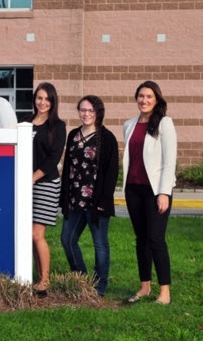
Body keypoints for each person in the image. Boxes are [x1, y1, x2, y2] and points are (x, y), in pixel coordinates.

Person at [123, 81, 177, 305]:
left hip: (155, 191)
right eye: (141, 96)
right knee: (141, 240)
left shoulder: (164, 123)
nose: (144, 100)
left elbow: (169, 161)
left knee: (156, 239)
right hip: (133, 189)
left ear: (156, 100)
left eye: (149, 97)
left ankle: (165, 292)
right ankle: (145, 287)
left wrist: (164, 192)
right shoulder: (129, 124)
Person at [60, 95, 119, 297]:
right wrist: (64, 197)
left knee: (100, 243)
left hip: (96, 202)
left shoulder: (107, 137)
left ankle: (99, 287)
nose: (86, 114)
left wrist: (104, 200)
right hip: (75, 199)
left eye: (90, 110)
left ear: (98, 112)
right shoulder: (73, 135)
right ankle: (82, 280)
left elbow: (112, 172)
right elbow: (68, 167)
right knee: (67, 239)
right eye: (83, 110)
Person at [23, 82, 66, 293]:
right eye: (39, 98)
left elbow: (54, 158)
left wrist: (33, 177)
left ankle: (45, 281)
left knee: (36, 234)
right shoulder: (25, 122)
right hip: (25, 184)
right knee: (27, 234)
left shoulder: (58, 126)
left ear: (53, 102)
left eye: (47, 99)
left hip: (46, 184)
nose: (42, 102)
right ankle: (37, 278)